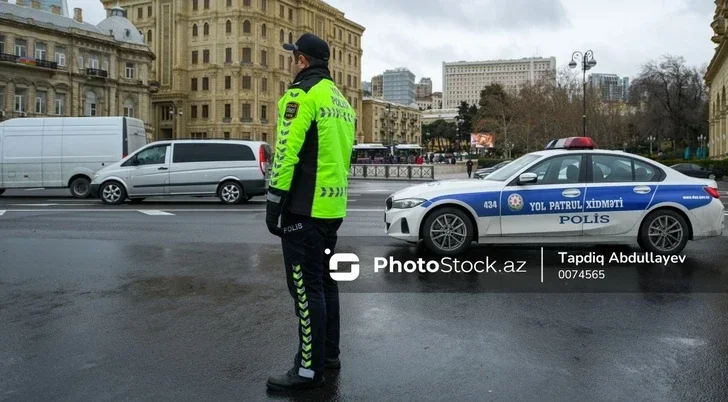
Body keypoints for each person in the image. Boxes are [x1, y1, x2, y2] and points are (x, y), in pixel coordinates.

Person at [265, 32, 355, 391]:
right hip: (333, 208)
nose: (290, 62)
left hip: (303, 209)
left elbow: (286, 152)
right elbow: (344, 156)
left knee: (305, 289)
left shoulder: (300, 95)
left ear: (301, 60)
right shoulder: (341, 101)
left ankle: (307, 370)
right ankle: (328, 355)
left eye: (293, 57)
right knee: (326, 284)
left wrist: (274, 202)